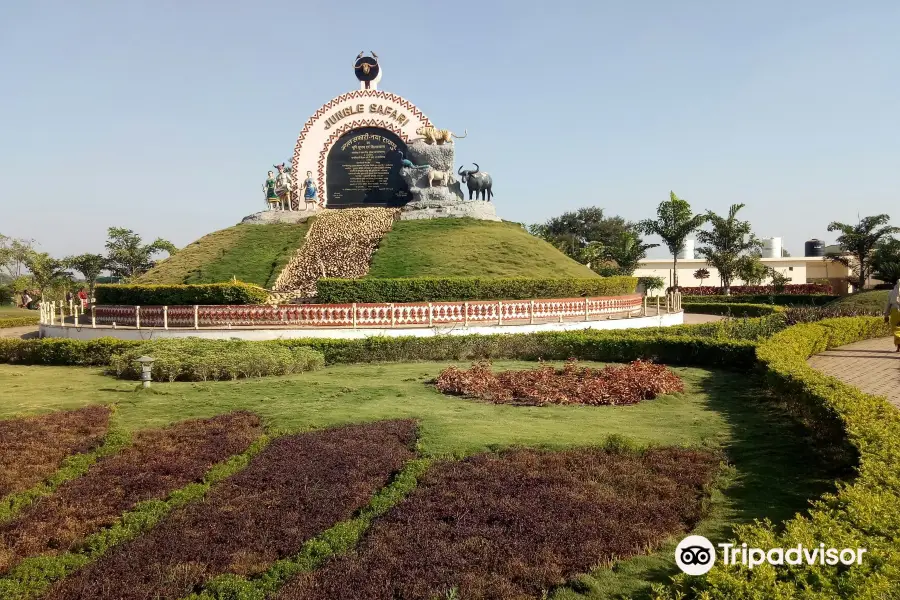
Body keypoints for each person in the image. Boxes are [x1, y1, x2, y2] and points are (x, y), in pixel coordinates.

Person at [885, 279, 900, 352]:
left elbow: (888, 304)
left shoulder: (891, 292)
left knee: (896, 328)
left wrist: (886, 315)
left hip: (894, 311)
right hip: (895, 310)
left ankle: (898, 347)